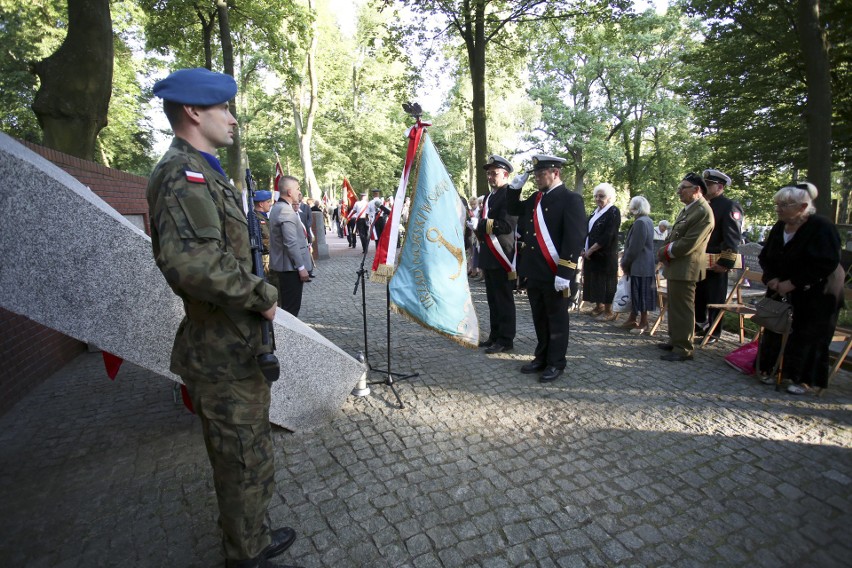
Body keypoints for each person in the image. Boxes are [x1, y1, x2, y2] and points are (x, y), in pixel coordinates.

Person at [146, 68, 296, 568]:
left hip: (236, 345)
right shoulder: (181, 174)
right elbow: (193, 264)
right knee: (240, 458)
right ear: (193, 111)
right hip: (221, 348)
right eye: (223, 109)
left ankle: (249, 537)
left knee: (248, 453)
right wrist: (261, 293)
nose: (232, 119)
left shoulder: (204, 170)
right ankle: (245, 554)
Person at [507, 154, 586, 383]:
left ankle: (556, 362)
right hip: (536, 271)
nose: (538, 179)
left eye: (542, 174)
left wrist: (565, 272)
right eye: (536, 175)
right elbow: (514, 208)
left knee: (557, 320)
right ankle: (541, 357)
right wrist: (514, 189)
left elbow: (574, 238)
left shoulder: (571, 199)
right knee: (539, 318)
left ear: (555, 173)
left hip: (556, 272)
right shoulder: (536, 198)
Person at [758, 182, 843, 395]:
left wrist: (794, 282)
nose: (778, 208)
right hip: (781, 285)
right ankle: (771, 367)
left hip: (817, 290)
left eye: (784, 205)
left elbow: (825, 262)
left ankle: (800, 378)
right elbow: (766, 256)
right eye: (777, 204)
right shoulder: (779, 226)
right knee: (776, 325)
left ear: (803, 206)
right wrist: (771, 278)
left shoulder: (821, 227)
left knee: (807, 332)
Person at [656, 173, 714, 362]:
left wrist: (664, 252)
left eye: (683, 187)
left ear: (697, 190)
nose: (679, 191)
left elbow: (689, 243)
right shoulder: (688, 209)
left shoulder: (703, 212)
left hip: (686, 267)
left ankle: (684, 348)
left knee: (683, 309)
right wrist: (666, 252)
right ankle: (675, 340)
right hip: (676, 266)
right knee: (675, 306)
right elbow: (675, 235)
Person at [468, 155, 518, 354]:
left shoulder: (510, 195)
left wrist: (480, 224)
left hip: (502, 254)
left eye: (494, 173)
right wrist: (475, 226)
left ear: (505, 174)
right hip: (489, 252)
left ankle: (506, 339)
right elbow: (486, 222)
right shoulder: (489, 196)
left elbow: (506, 225)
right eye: (488, 173)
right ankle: (495, 335)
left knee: (503, 299)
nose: (490, 176)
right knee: (492, 298)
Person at [694, 169, 743, 344]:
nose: (705, 187)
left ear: (720, 187)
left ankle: (714, 332)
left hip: (716, 259)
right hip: (699, 260)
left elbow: (732, 238)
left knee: (714, 297)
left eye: (709, 185)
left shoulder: (729, 206)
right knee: (698, 295)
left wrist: (725, 262)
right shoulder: (702, 204)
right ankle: (698, 326)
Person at [270, 176, 312, 317]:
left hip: (286, 266)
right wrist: (301, 267)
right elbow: (290, 242)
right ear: (289, 192)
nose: (299, 192)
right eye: (297, 189)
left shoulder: (279, 207)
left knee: (289, 307)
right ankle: (287, 338)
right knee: (291, 310)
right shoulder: (285, 210)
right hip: (290, 267)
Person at [581, 183, 621, 320]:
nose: (598, 198)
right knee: (594, 280)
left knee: (606, 282)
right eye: (596, 196)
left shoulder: (613, 211)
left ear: (609, 197)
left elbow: (608, 235)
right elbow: (587, 231)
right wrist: (583, 249)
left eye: (601, 196)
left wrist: (591, 249)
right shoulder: (595, 211)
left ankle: (609, 311)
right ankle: (599, 306)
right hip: (591, 255)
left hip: (605, 255)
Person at [619, 196, 657, 334]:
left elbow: (635, 247)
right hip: (644, 265)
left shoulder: (640, 222)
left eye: (632, 206)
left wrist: (625, 262)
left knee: (641, 293)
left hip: (640, 265)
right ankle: (632, 318)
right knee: (637, 293)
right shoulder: (647, 221)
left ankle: (643, 322)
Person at [252, 189, 273, 276]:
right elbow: (264, 238)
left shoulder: (264, 218)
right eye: (268, 202)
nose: (270, 204)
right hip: (264, 259)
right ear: (261, 204)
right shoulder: (255, 219)